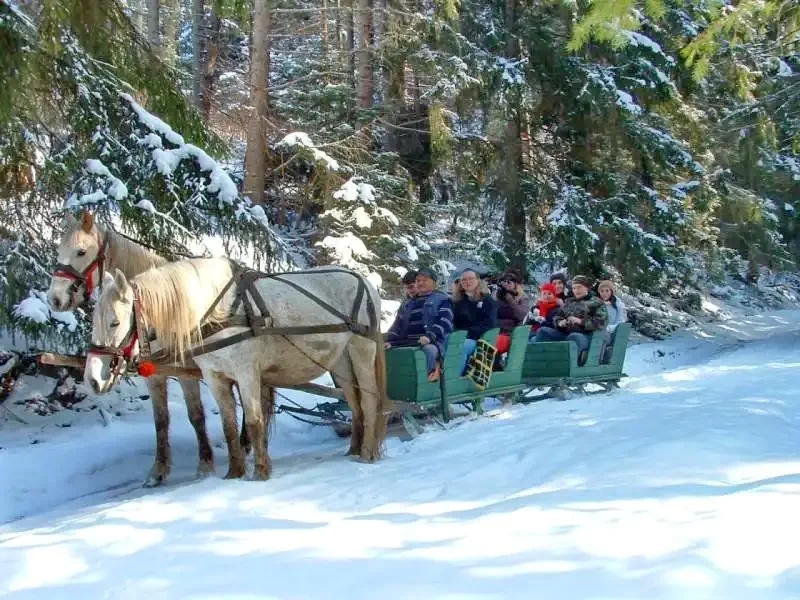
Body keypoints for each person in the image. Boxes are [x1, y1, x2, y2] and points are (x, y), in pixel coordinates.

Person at [385, 268, 453, 382]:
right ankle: (395, 383)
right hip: (407, 342)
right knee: (386, 351)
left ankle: (427, 383)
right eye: (418, 281)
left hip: (433, 342)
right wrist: (389, 341)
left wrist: (430, 337)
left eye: (424, 280)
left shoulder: (443, 299)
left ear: (433, 282)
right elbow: (397, 325)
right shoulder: (407, 304)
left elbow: (445, 322)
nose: (420, 283)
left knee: (428, 351)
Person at [530, 275, 608, 365]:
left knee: (575, 337)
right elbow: (558, 316)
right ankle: (539, 363)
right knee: (543, 331)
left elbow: (601, 322)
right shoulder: (569, 302)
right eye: (574, 288)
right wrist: (560, 322)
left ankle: (571, 366)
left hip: (584, 335)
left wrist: (580, 321)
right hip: (565, 333)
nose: (576, 291)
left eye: (579, 287)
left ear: (586, 287)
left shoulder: (597, 303)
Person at [452, 268, 497, 374]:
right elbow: (453, 321)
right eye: (464, 280)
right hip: (458, 337)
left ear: (478, 281)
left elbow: (489, 324)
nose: (467, 282)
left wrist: (467, 334)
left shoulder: (487, 301)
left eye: (470, 279)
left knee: (461, 346)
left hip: (480, 339)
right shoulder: (457, 302)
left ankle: (455, 378)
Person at [494, 270, 530, 355]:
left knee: (498, 343)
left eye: (509, 282)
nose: (506, 284)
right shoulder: (496, 295)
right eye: (504, 282)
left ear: (515, 284)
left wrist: (511, 301)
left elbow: (522, 316)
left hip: (511, 331)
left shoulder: (522, 297)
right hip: (495, 330)